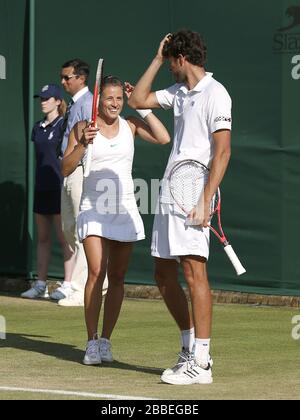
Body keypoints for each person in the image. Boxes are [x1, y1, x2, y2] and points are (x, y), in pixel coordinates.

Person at [128, 30, 232, 385]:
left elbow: (223, 152)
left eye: (170, 61)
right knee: (162, 273)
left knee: (193, 272)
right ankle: (189, 349)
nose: (169, 67)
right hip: (171, 190)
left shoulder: (216, 94)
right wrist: (157, 57)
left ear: (181, 59)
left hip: (195, 194)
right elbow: (138, 99)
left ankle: (202, 361)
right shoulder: (178, 92)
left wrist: (205, 201)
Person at [62, 75, 170, 365]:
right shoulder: (83, 127)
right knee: (97, 272)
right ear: (98, 99)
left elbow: (163, 138)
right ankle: (91, 341)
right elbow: (65, 168)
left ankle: (107, 340)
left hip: (123, 209)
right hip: (93, 208)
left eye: (120, 98)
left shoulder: (131, 125)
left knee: (118, 278)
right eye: (109, 98)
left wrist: (143, 107)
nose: (115, 103)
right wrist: (82, 144)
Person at [56, 58, 108, 306]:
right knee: (69, 229)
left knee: (83, 230)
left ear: (81, 78)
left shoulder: (88, 104)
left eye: (67, 77)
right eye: (63, 77)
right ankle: (90, 281)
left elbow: (94, 139)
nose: (63, 82)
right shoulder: (74, 105)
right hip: (68, 169)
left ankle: (82, 286)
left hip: (81, 170)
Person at [21, 84, 74, 299]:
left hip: (59, 187)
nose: (43, 101)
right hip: (41, 187)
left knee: (64, 239)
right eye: (41, 98)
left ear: (58, 101)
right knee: (43, 238)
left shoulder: (63, 126)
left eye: (48, 98)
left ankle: (68, 285)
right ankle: (41, 284)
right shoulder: (37, 127)